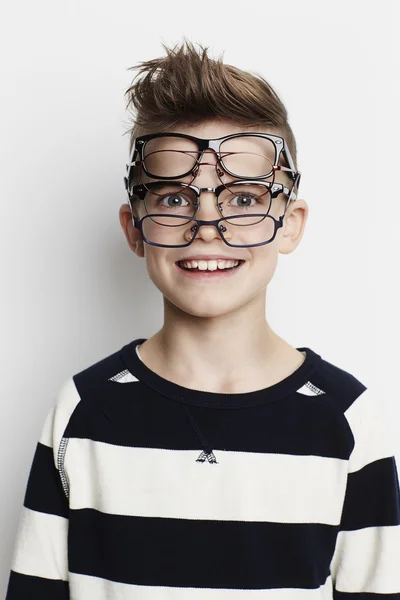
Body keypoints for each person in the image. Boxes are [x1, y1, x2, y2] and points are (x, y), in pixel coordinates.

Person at [5, 40, 400, 600]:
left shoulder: (346, 420)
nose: (207, 223)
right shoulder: (84, 411)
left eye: (242, 199)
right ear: (133, 227)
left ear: (291, 224)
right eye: (172, 199)